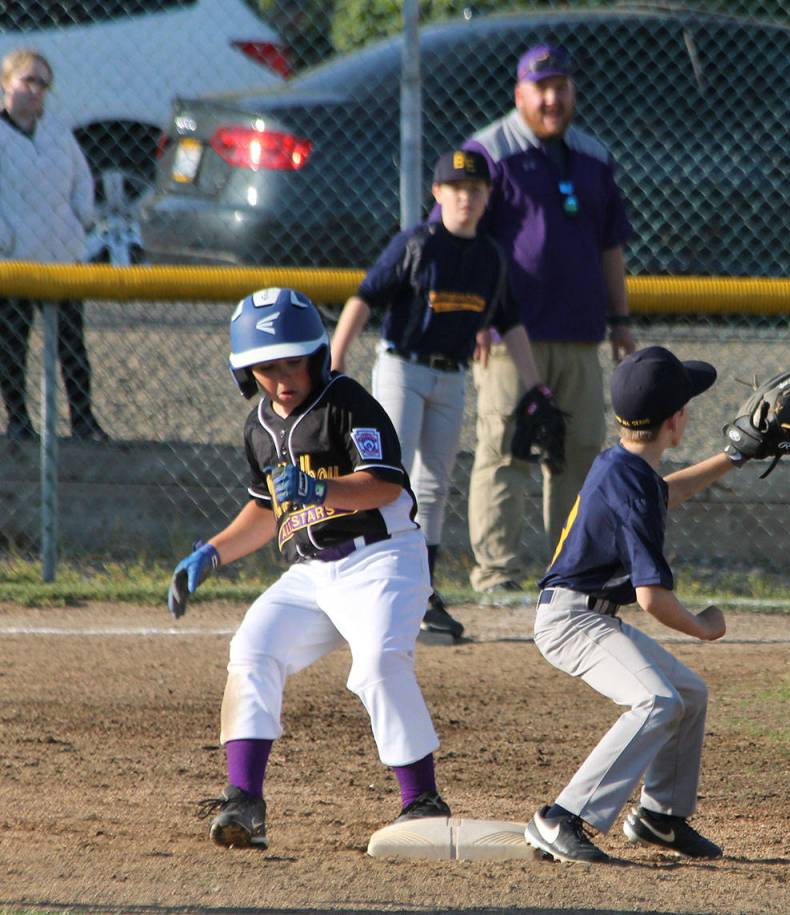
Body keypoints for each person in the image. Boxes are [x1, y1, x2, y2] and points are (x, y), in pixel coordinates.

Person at [170, 287, 451, 849]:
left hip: (382, 560)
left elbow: (384, 484)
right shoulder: (257, 428)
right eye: (266, 367)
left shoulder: (347, 402)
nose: (281, 378)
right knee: (252, 649)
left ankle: (422, 800)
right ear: (245, 372)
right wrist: (213, 552)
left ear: (317, 357)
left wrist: (318, 486)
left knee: (375, 663)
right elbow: (266, 509)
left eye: (292, 361)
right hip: (310, 574)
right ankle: (243, 801)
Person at [524, 346, 744, 864]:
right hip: (571, 621)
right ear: (677, 420)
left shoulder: (624, 465)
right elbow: (652, 598)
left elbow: (661, 493)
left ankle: (659, 818)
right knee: (656, 701)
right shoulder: (630, 483)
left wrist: (735, 458)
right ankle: (560, 817)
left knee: (687, 692)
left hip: (583, 613)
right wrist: (703, 628)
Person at [331, 149, 553, 641]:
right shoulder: (417, 243)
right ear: (437, 194)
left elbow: (510, 324)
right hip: (403, 368)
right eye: (455, 188)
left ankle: (422, 593)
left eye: (474, 190)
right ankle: (370, 580)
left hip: (451, 376)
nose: (465, 198)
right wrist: (337, 358)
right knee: (392, 475)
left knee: (433, 486)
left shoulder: (491, 257)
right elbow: (364, 296)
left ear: (487, 197)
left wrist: (536, 386)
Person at [453, 43, 636, 593]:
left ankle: (571, 576)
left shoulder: (593, 157)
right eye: (542, 88)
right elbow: (463, 240)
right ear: (520, 94)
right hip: (511, 337)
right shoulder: (488, 152)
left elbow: (611, 248)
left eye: (561, 86)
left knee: (577, 456)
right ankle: (498, 577)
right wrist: (476, 318)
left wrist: (621, 320)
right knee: (505, 451)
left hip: (580, 334)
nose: (553, 98)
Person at [0, 48, 107, 442]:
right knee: (12, 343)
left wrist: (81, 216)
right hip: (15, 263)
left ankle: (83, 420)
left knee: (72, 346)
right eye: (27, 81)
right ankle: (19, 422)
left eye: (42, 83)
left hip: (63, 257)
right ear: (5, 83)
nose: (35, 91)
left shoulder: (57, 131)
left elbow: (82, 179)